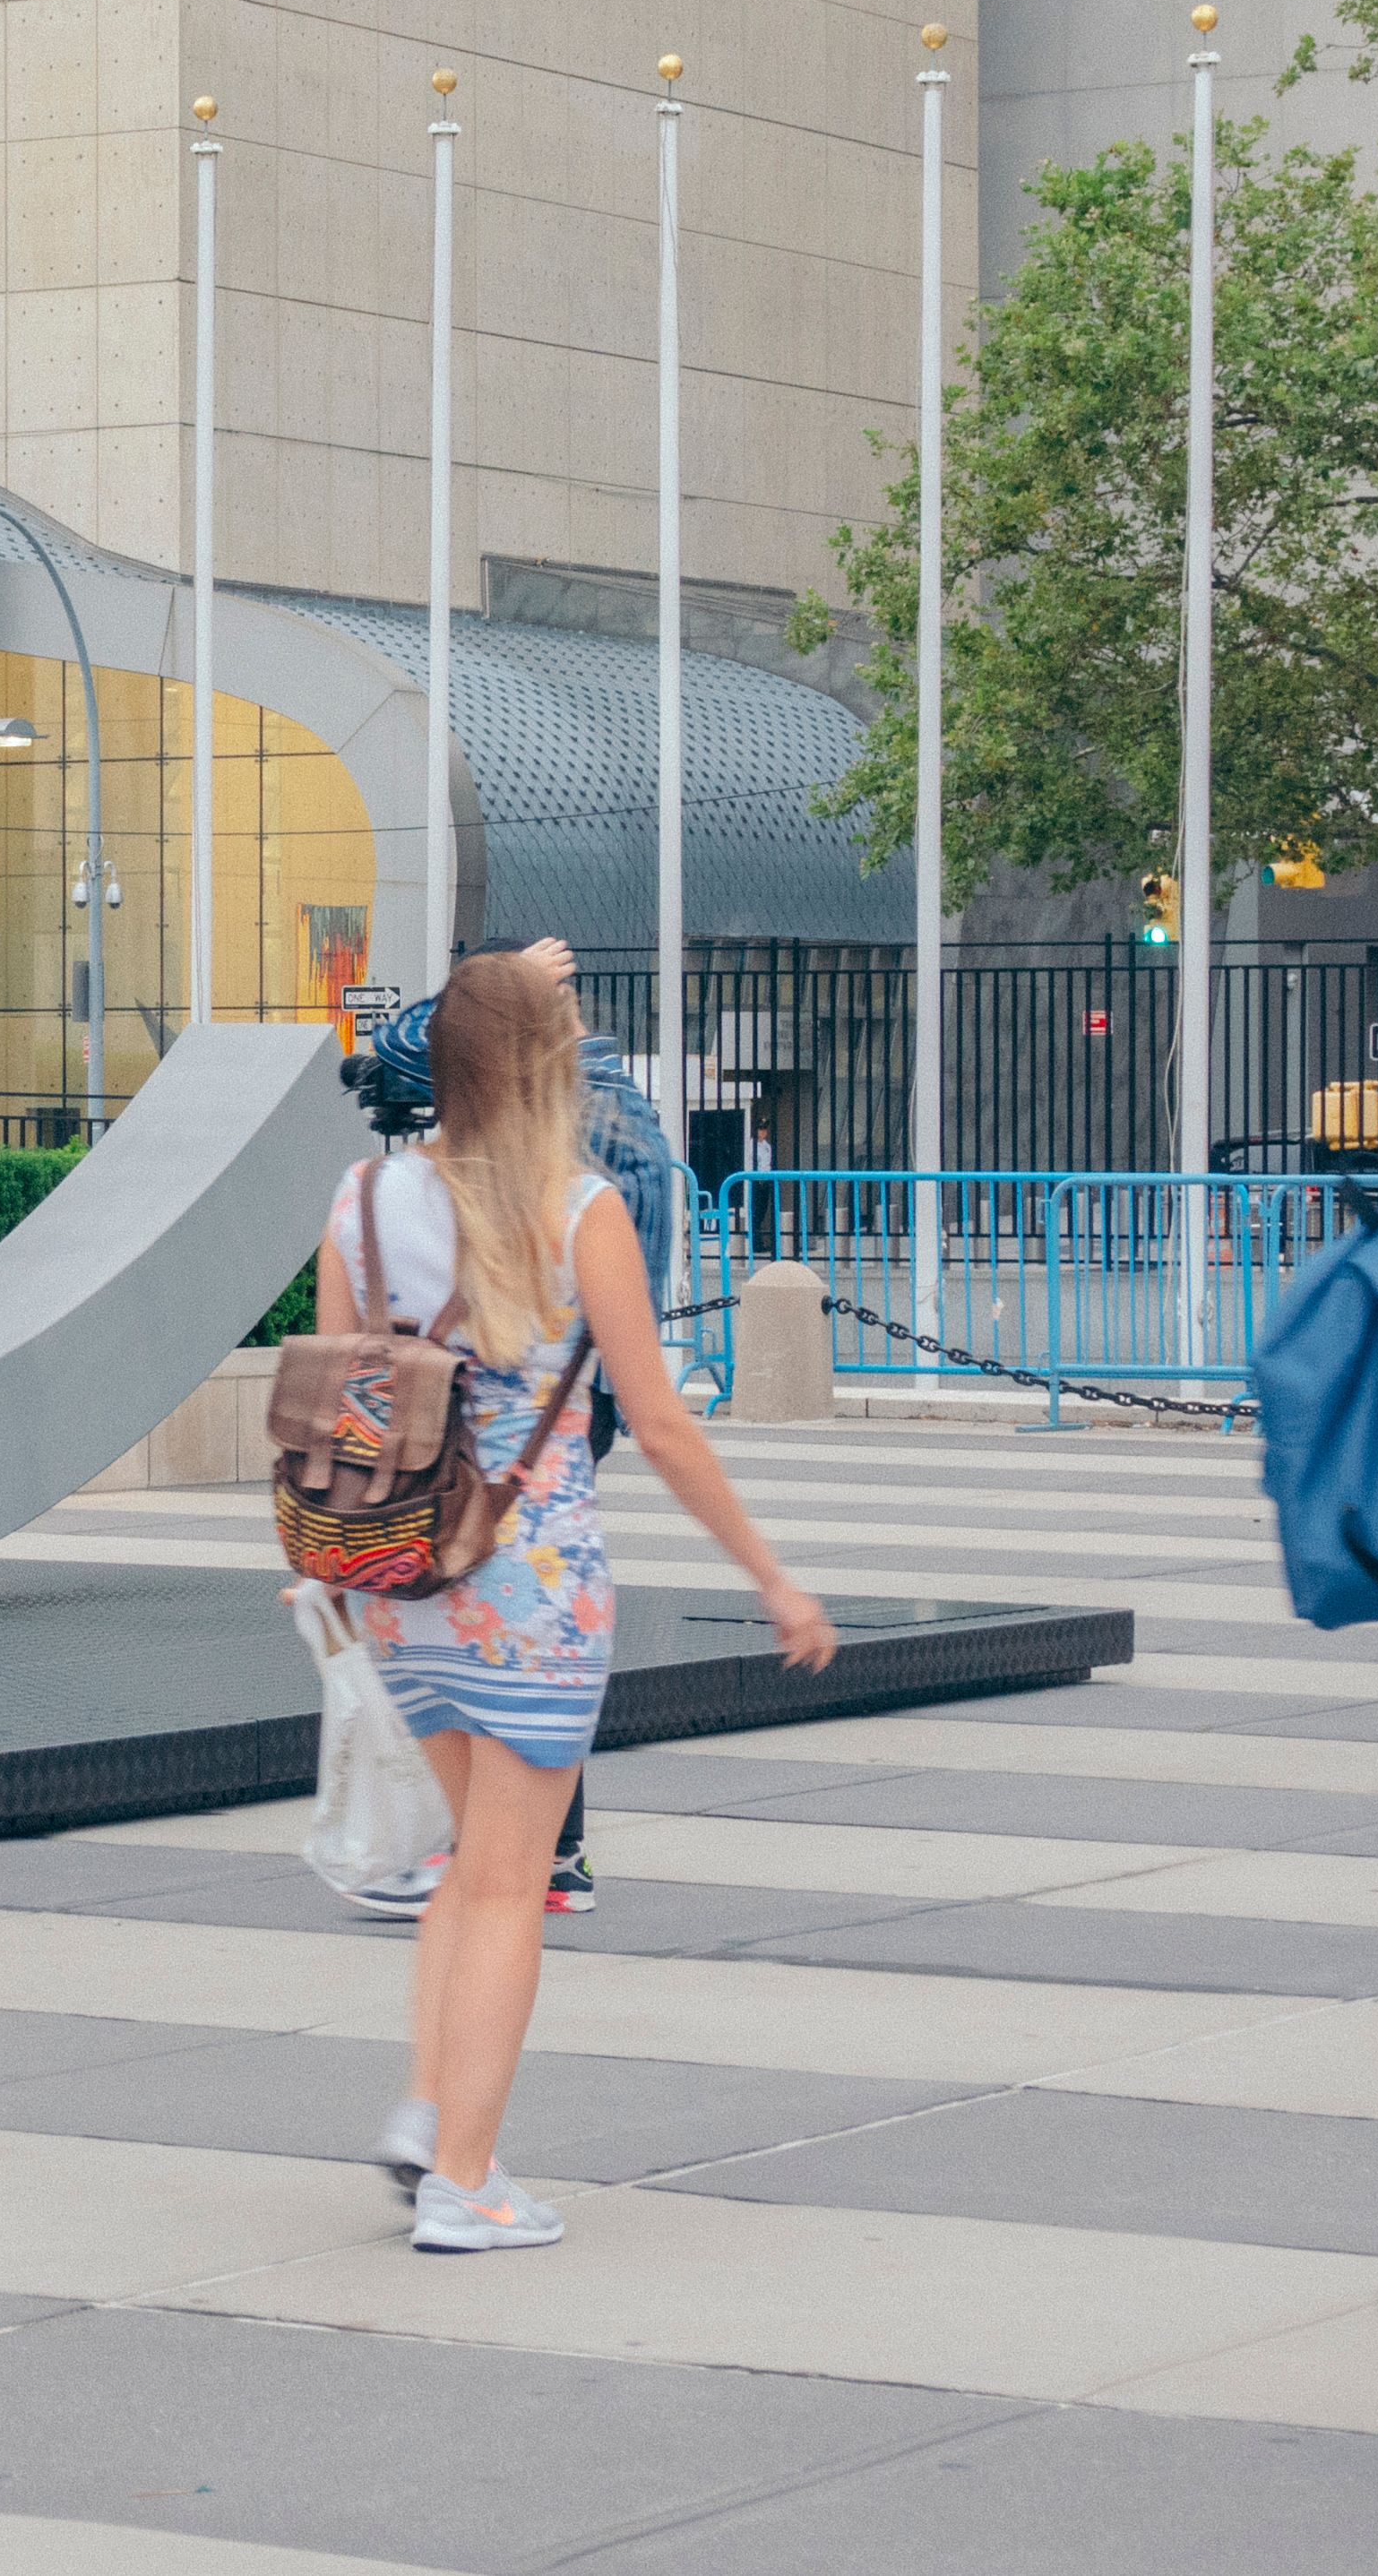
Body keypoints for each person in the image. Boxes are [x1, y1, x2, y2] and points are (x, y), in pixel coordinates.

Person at [322, 948, 832, 2253]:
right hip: (532, 1586)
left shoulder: (364, 1197)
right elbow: (655, 1422)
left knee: (462, 1867)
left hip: (398, 1575)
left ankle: (430, 2113)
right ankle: (467, 2180)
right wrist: (770, 1577)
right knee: (508, 1884)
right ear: (554, 1062)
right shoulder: (579, 1208)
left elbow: (338, 1397)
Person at [336, 935, 679, 1922]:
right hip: (563, 1423)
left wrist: (473, 992)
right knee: (518, 1637)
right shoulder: (632, 1125)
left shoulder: (400, 1184)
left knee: (464, 1586)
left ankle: (506, 1857)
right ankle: (536, 1853)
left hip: (444, 1442)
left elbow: (414, 1058)